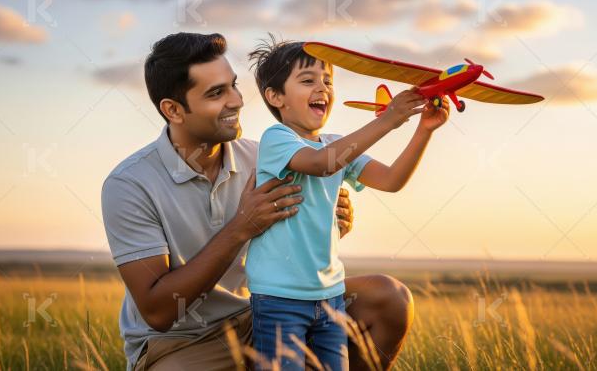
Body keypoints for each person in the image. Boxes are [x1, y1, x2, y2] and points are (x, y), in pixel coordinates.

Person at [101, 32, 415, 370]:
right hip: (183, 343)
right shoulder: (130, 184)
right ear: (173, 110)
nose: (236, 101)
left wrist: (331, 219)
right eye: (216, 93)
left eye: (233, 86)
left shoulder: (266, 156)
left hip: (264, 313)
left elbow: (322, 186)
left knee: (388, 298)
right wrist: (241, 227)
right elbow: (159, 311)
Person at [245, 36, 450, 370]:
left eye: (328, 81)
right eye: (308, 80)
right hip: (279, 297)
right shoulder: (278, 138)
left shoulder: (337, 144)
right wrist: (388, 119)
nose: (322, 88)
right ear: (275, 96)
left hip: (330, 295)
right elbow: (320, 164)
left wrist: (423, 130)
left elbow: (392, 180)